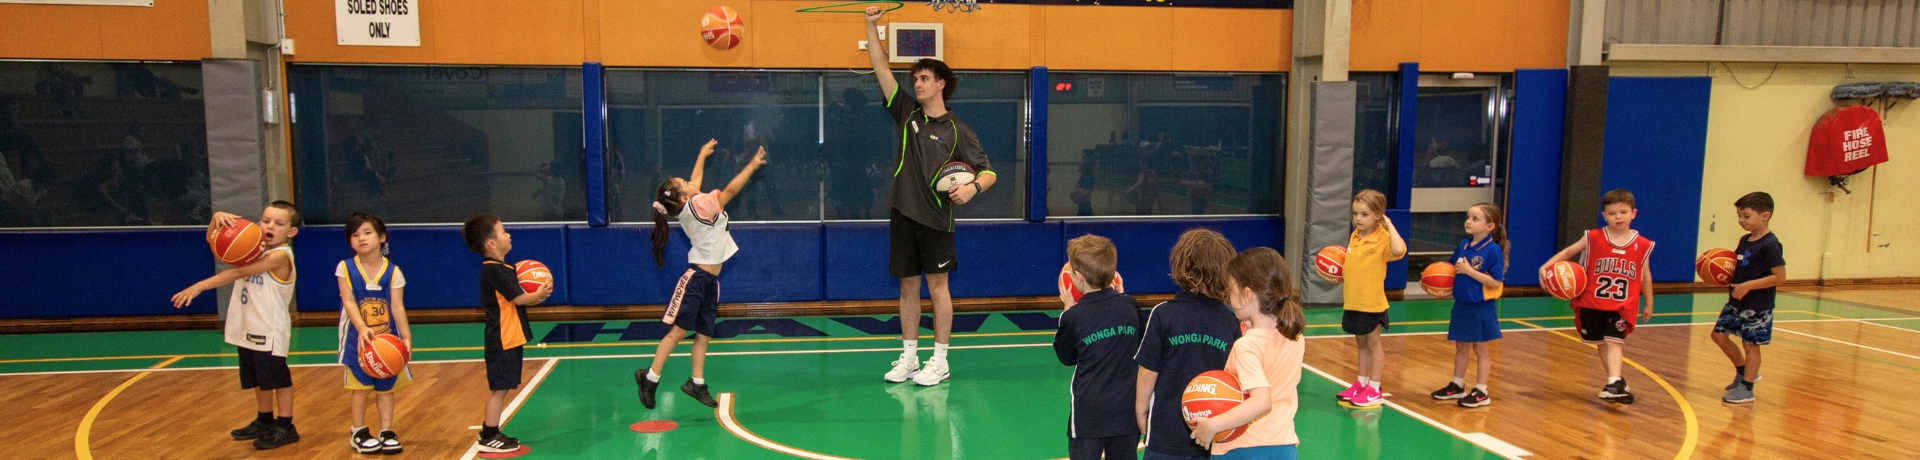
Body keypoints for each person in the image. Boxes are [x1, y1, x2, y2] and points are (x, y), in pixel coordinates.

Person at [865, 6, 998, 387]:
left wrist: (972, 187)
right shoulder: (906, 113)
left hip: (938, 220)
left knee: (938, 287)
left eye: (924, 78)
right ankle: (909, 357)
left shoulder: (958, 130)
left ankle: (939, 360)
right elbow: (880, 68)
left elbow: (988, 172)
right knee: (908, 287)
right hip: (902, 213)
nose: (917, 84)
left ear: (941, 83)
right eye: (915, 79)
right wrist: (870, 26)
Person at [635, 140, 767, 409]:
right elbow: (730, 190)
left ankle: (696, 383)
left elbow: (694, 181)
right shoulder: (701, 205)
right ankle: (649, 378)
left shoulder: (688, 206)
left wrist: (701, 154)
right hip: (696, 280)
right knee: (677, 332)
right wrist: (751, 165)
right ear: (685, 197)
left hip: (710, 281)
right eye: (684, 182)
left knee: (704, 334)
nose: (691, 181)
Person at [169, 202, 303, 449]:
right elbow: (215, 243)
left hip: (268, 328)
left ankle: (286, 426)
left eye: (279, 223)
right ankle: (264, 420)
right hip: (247, 326)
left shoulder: (279, 256)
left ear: (291, 232)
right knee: (258, 380)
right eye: (265, 220)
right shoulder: (253, 247)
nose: (269, 226)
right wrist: (216, 219)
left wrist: (198, 286)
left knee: (277, 379)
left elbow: (237, 273)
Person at [1540, 189, 1656, 405]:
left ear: (1634, 213)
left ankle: (1613, 382)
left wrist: (1649, 303)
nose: (1618, 217)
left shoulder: (1643, 244)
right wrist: (1546, 267)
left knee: (1614, 341)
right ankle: (1617, 380)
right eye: (1612, 213)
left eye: (1623, 212)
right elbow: (1567, 252)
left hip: (1622, 305)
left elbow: (1645, 276)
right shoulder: (1593, 237)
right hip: (1592, 302)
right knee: (1601, 342)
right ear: (1604, 216)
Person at [1190, 247, 1307, 460]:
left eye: (1231, 290)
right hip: (1284, 446)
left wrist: (1212, 425)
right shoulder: (1295, 336)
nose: (1228, 297)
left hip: (1243, 449)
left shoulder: (1247, 346)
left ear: (1246, 295)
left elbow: (1261, 402)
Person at [1134, 229, 1240, 460]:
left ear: (1180, 266)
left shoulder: (1162, 314)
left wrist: (1141, 410)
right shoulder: (1230, 320)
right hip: (1213, 432)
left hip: (1165, 435)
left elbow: (1147, 371)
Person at [461, 213, 554, 453]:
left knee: (502, 387)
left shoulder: (501, 267)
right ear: (491, 243)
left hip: (508, 337)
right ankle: (488, 435)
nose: (508, 234)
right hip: (501, 338)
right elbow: (520, 297)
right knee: (499, 388)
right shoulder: (495, 269)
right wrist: (540, 293)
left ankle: (492, 432)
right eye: (503, 231)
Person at [1053, 234, 1142, 460]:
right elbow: (1139, 342)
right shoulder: (1130, 305)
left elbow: (1066, 357)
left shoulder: (1073, 317)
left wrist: (1067, 311)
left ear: (1079, 278)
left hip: (1088, 417)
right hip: (1126, 413)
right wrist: (1121, 298)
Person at [335, 212, 413, 454]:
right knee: (360, 389)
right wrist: (361, 327)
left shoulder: (393, 271)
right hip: (356, 341)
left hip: (386, 342)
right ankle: (357, 430)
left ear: (381, 237)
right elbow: (348, 301)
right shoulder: (345, 268)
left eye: (367, 233)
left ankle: (386, 430)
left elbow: (397, 306)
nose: (361, 238)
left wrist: (406, 337)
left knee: (385, 389)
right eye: (355, 235)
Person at [1430, 204, 1508, 408]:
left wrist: (1469, 271)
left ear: (1490, 226)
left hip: (1481, 306)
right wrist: (1434, 284)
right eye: (1468, 217)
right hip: (1462, 304)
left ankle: (1482, 390)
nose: (1468, 221)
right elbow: (1449, 270)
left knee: (1480, 348)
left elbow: (1496, 281)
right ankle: (1457, 384)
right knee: (1460, 346)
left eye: (1475, 219)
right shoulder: (1464, 245)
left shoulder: (1493, 250)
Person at [1711, 192, 1785, 404]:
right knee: (1718, 336)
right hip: (1736, 302)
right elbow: (1736, 266)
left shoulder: (1770, 244)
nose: (1741, 221)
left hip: (1757, 306)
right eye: (1739, 216)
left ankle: (1748, 388)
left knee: (1751, 345)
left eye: (1746, 216)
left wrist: (1748, 286)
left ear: (1765, 216)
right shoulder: (1745, 240)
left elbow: (1779, 277)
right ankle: (1743, 371)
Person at [1337, 189, 1406, 407]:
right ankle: (1361, 383)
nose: (1358, 218)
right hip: (1353, 301)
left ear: (1378, 215)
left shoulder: (1383, 238)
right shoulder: (1355, 236)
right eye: (1355, 213)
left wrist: (1389, 225)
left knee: (1373, 345)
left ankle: (1374, 388)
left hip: (1372, 302)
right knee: (1361, 345)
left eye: (1364, 214)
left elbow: (1399, 249)